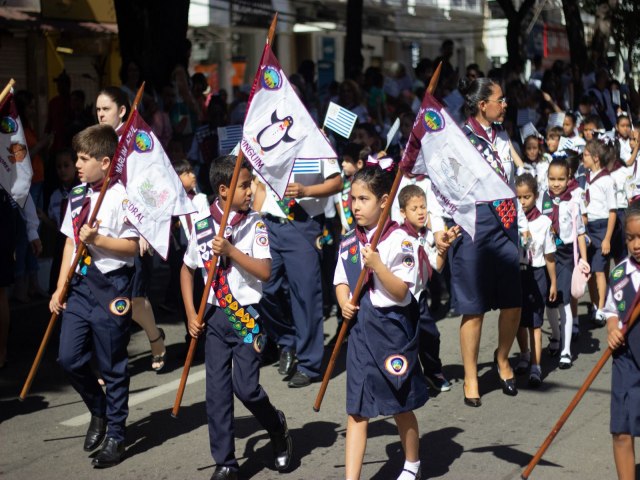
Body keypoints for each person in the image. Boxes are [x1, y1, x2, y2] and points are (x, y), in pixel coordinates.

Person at [180, 156, 292, 480]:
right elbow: (186, 270)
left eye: (250, 184)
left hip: (245, 315)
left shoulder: (254, 223)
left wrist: (231, 252)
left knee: (246, 388)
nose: (250, 191)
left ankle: (276, 426)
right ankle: (225, 461)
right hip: (215, 317)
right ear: (224, 190)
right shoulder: (202, 226)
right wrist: (190, 312)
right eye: (244, 185)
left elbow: (265, 272)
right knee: (216, 392)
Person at [49, 125, 139, 467]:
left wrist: (99, 240)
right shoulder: (76, 195)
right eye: (76, 158)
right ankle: (98, 409)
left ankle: (116, 433)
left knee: (113, 364)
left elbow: (131, 248)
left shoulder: (122, 197)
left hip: (112, 286)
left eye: (85, 159)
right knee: (68, 358)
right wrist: (60, 287)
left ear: (105, 161)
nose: (78, 164)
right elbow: (71, 242)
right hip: (81, 285)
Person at [334, 165, 427, 480]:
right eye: (352, 198)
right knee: (357, 410)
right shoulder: (350, 240)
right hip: (360, 328)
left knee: (399, 403)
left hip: (392, 329)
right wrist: (343, 301)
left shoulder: (399, 239)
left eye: (364, 198)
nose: (356, 205)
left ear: (384, 201)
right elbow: (340, 280)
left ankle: (412, 462)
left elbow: (402, 290)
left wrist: (377, 265)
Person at [453, 77, 529, 406]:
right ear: (483, 104)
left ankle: (502, 358)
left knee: (513, 300)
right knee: (474, 307)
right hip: (474, 222)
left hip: (506, 222)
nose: (505, 103)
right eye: (500, 99)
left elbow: (510, 182)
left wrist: (523, 224)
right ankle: (471, 375)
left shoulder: (502, 135)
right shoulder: (459, 138)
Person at [255, 151, 342, 388]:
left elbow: (337, 182)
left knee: (305, 295)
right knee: (262, 287)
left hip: (303, 223)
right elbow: (259, 183)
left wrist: (306, 191)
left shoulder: (316, 142)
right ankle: (287, 340)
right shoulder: (269, 141)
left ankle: (308, 364)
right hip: (271, 223)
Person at [96, 87, 166, 371]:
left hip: (134, 227)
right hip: (104, 227)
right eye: (98, 110)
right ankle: (109, 360)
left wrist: (144, 229)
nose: (100, 114)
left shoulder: (137, 140)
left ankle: (155, 338)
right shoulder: (98, 140)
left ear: (122, 110)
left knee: (135, 299)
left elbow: (153, 185)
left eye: (106, 109)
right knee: (105, 297)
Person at [398, 184, 460, 392]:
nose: (420, 212)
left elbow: (438, 265)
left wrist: (444, 247)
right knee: (405, 342)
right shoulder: (397, 237)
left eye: (423, 207)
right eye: (414, 209)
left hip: (419, 297)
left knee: (430, 335)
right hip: (400, 298)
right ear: (402, 213)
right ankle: (407, 381)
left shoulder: (425, 236)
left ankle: (433, 373)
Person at [540, 158, 589, 368]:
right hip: (546, 254)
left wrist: (584, 260)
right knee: (550, 301)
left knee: (564, 301)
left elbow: (580, 233)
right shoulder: (543, 199)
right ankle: (556, 336)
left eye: (561, 179)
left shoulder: (573, 201)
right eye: (552, 179)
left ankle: (566, 350)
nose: (556, 183)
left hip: (566, 255)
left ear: (569, 178)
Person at [604, 202, 640, 480]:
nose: (636, 244)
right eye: (630, 238)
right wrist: (613, 328)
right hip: (627, 357)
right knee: (621, 430)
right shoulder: (619, 275)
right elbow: (611, 311)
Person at [514, 174, 557, 387]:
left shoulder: (544, 223)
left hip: (537, 273)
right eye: (519, 197)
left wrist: (553, 283)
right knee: (517, 320)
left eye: (527, 197)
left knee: (535, 322)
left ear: (536, 196)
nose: (522, 202)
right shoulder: (511, 221)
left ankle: (536, 366)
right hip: (517, 274)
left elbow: (549, 256)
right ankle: (524, 355)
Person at [583, 139, 617, 327]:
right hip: (588, 227)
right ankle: (595, 305)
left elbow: (612, 212)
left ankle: (602, 308)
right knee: (588, 270)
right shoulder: (586, 177)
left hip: (602, 227)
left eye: (586, 155)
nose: (583, 158)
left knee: (599, 270)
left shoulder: (606, 180)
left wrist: (607, 239)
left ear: (596, 158)